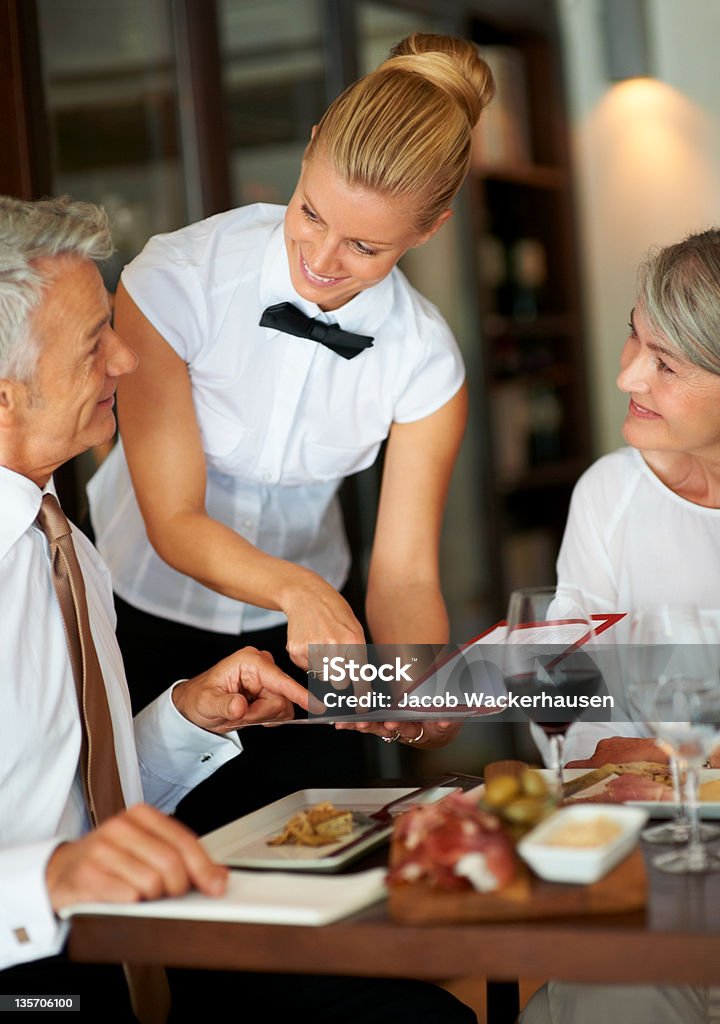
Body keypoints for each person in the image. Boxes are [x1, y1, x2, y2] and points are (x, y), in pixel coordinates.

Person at [0, 195, 478, 1024]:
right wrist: (46, 882)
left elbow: (85, 789)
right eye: (92, 346)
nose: (127, 359)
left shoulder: (64, 547)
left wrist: (189, 719)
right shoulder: (190, 277)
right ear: (6, 396)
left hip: (109, 952)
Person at [85, 31, 496, 831]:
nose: (322, 257)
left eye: (365, 246)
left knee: (314, 858)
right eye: (311, 213)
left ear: (431, 228)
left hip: (306, 638)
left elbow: (406, 572)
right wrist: (300, 590)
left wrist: (417, 687)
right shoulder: (178, 280)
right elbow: (174, 520)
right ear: (309, 151)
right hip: (135, 611)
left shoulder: (426, 358)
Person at [521, 229, 720, 1023]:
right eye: (635, 335)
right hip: (649, 862)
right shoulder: (611, 491)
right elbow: (570, 697)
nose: (625, 374)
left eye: (665, 363)